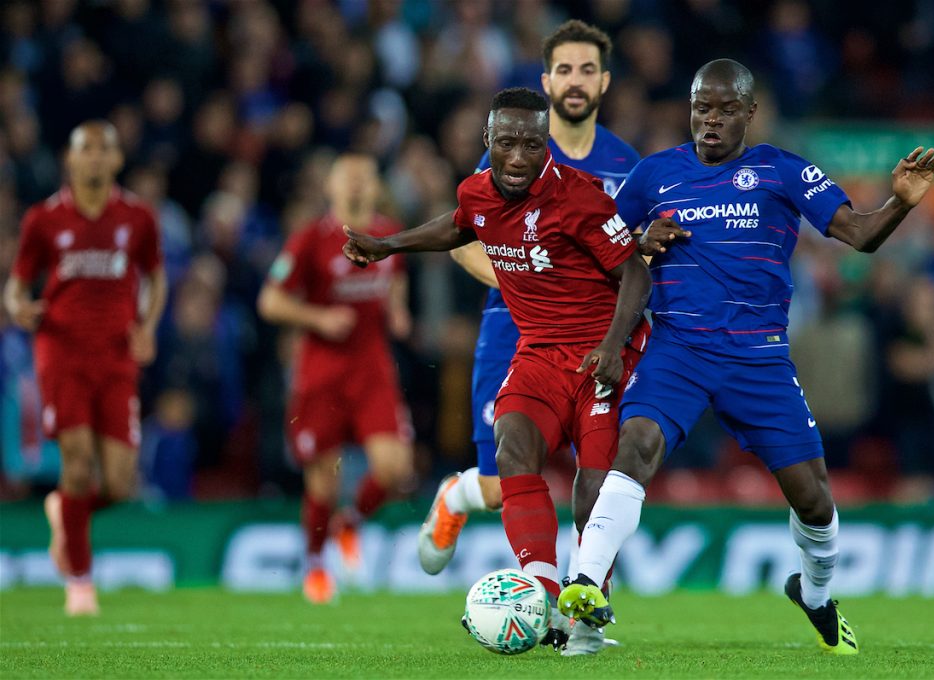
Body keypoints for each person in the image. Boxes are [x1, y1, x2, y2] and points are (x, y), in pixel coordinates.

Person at [558, 59, 934, 656]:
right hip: (678, 347)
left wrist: (900, 203)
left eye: (724, 109)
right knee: (635, 442)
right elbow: (602, 254)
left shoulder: (781, 170)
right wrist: (636, 243)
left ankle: (814, 596)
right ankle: (584, 585)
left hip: (758, 360)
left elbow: (860, 235)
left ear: (749, 112)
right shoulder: (653, 175)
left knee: (814, 502)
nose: (709, 121)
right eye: (700, 108)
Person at [344, 87, 651, 650]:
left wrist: (613, 344)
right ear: (487, 142)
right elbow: (460, 224)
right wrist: (389, 245)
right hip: (537, 351)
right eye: (505, 142)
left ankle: (585, 617)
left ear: (546, 148)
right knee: (512, 444)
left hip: (601, 354)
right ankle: (539, 587)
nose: (516, 156)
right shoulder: (478, 191)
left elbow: (635, 273)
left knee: (595, 485)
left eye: (530, 144)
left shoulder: (579, 199)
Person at [416, 20, 640, 656]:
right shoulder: (507, 152)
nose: (575, 81)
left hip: (593, 337)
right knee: (498, 483)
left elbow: (628, 258)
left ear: (604, 81)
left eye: (587, 70)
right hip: (512, 329)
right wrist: (528, 278)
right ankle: (456, 494)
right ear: (546, 81)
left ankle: (580, 608)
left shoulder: (626, 164)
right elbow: (465, 238)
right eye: (563, 70)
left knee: (595, 476)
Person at [4, 120, 168, 616]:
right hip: (63, 353)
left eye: (104, 150)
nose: (95, 157)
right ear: (70, 161)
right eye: (85, 150)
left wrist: (149, 326)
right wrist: (16, 307)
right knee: (76, 466)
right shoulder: (44, 219)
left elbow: (157, 277)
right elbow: (16, 283)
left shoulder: (137, 217)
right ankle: (80, 582)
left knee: (119, 482)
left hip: (117, 356)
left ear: (117, 160)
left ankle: (64, 513)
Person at [257, 153, 414, 604]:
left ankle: (352, 523)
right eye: (348, 178)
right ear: (331, 186)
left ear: (375, 185)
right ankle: (314, 564)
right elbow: (270, 301)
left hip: (372, 369)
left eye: (365, 177)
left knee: (394, 467)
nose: (357, 185)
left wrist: (398, 309)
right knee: (322, 480)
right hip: (321, 372)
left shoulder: (387, 233)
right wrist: (319, 318)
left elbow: (397, 272)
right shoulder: (310, 240)